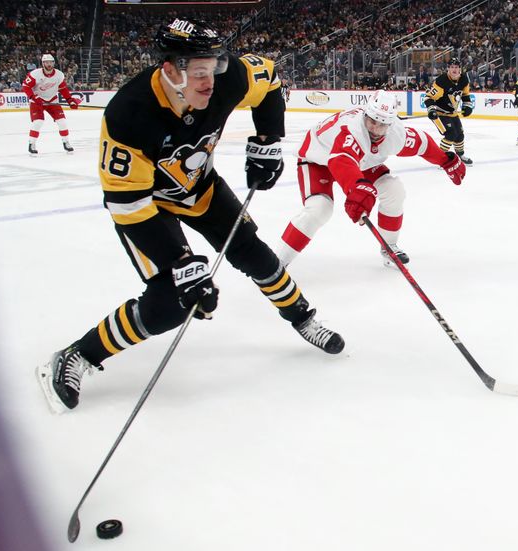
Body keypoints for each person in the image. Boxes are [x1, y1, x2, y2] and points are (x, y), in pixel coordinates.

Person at [36, 19, 344, 413]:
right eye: (199, 71)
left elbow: (269, 80)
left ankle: (302, 318)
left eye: (214, 66)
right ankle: (78, 354)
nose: (210, 80)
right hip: (148, 208)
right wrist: (181, 263)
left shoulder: (228, 76)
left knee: (255, 254)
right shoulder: (128, 114)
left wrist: (267, 140)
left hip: (201, 188)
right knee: (171, 301)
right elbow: (126, 204)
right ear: (169, 70)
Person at [276, 90, 466, 268]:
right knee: (320, 209)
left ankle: (389, 247)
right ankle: (277, 263)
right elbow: (341, 160)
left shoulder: (396, 134)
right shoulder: (352, 130)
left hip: (360, 162)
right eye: (372, 121)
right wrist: (356, 188)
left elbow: (422, 143)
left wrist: (446, 161)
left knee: (394, 190)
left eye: (382, 124)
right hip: (318, 159)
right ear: (365, 115)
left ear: (390, 125)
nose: (375, 129)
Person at [22, 53, 81, 155]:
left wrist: (70, 100)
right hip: (37, 101)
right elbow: (25, 86)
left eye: (51, 62)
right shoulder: (35, 74)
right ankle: (32, 144)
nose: (49, 64)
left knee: (62, 121)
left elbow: (63, 89)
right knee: (38, 122)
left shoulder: (59, 75)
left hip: (52, 100)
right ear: (43, 63)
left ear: (54, 63)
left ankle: (66, 142)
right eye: (46, 62)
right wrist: (33, 97)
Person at [424, 58, 474, 164]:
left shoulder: (464, 79)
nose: (454, 70)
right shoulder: (442, 81)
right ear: (448, 69)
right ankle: (440, 157)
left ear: (460, 69)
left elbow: (465, 95)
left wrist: (467, 107)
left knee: (460, 135)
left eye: (456, 67)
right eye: (452, 67)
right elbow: (429, 98)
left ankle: (460, 155)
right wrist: (431, 110)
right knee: (450, 134)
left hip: (452, 113)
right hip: (439, 114)